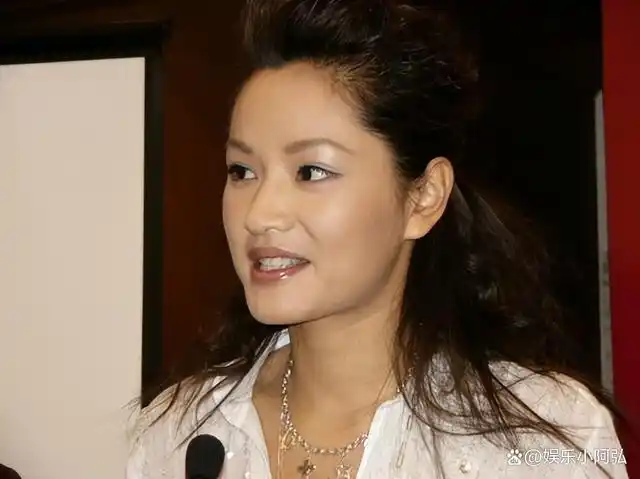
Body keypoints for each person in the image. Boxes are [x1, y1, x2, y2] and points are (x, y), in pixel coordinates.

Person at [126, 0, 630, 477]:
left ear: (424, 197)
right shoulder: (175, 437)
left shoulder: (552, 438)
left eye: (311, 171)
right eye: (241, 171)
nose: (258, 215)